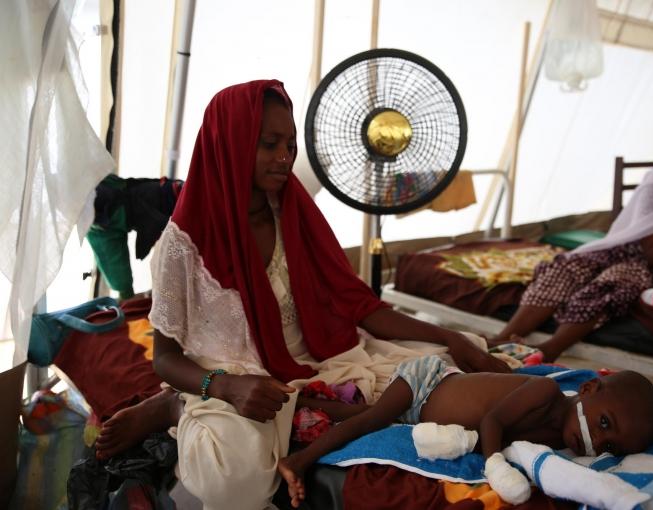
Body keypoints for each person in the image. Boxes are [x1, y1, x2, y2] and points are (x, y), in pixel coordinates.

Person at [93, 80, 510, 509]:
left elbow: (361, 307)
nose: (285, 158)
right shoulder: (181, 246)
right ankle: (177, 408)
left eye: (290, 144)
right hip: (235, 374)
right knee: (236, 480)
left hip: (325, 358)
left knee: (467, 377)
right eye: (269, 144)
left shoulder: (294, 212)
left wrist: (450, 336)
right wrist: (222, 386)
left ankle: (291, 402)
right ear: (230, 144)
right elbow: (164, 358)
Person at [491, 98, 653, 361]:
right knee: (568, 267)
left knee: (621, 278)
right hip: (636, 250)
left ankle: (552, 347)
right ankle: (506, 336)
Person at [278, 356, 653, 508]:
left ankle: (306, 404)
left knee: (361, 413)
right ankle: (299, 461)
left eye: (608, 443)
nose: (596, 439)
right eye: (604, 422)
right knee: (369, 421)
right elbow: (492, 422)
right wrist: (494, 465)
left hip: (421, 416)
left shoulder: (559, 440)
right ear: (588, 389)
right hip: (426, 382)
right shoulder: (545, 393)